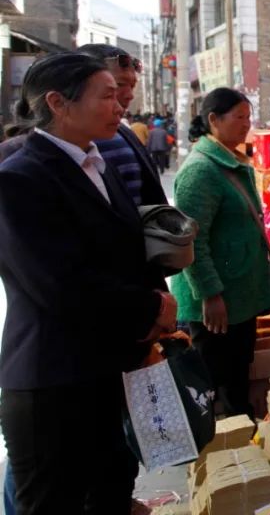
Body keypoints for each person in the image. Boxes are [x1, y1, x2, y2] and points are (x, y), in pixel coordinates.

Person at [0, 52, 177, 513]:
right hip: (53, 377)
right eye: (106, 96)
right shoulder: (20, 179)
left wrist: (160, 287)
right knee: (55, 500)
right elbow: (60, 286)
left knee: (112, 481)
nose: (120, 106)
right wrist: (149, 307)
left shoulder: (100, 163)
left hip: (105, 364)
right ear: (58, 103)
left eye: (120, 95)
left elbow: (126, 247)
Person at [170, 88, 270, 416]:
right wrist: (210, 294)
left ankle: (241, 444)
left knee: (237, 377)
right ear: (213, 120)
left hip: (237, 296)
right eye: (238, 117)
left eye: (249, 117)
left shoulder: (228, 161)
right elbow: (192, 242)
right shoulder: (200, 171)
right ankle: (222, 454)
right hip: (216, 303)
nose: (246, 125)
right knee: (218, 387)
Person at [77, 44, 168, 206]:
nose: (130, 95)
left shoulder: (125, 134)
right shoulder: (58, 146)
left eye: (132, 86)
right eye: (119, 85)